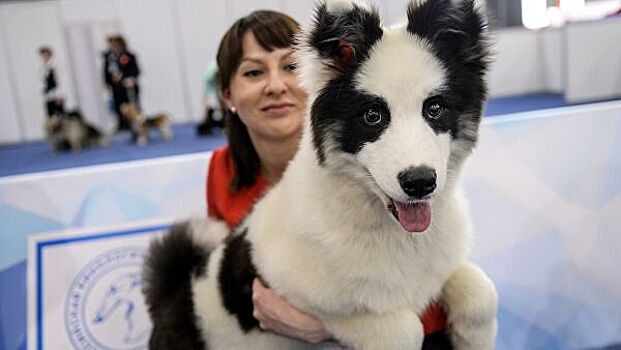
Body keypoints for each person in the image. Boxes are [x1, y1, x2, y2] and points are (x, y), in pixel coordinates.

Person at [206, 9, 447, 344]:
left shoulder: (375, 166)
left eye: (290, 66)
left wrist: (328, 327)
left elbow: (425, 286)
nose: (275, 86)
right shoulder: (222, 168)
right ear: (227, 95)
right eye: (253, 72)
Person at [103, 35, 141, 132]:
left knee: (133, 107)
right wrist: (107, 83)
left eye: (114, 44)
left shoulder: (129, 56)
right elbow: (105, 72)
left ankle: (138, 126)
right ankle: (122, 125)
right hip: (116, 87)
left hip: (128, 86)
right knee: (119, 107)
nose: (112, 46)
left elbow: (135, 70)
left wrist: (129, 78)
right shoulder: (109, 57)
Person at [38, 46, 65, 118]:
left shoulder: (55, 66)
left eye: (45, 54)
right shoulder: (43, 68)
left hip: (56, 96)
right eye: (42, 55)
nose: (44, 56)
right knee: (51, 118)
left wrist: (59, 95)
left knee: (60, 117)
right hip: (48, 96)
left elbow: (60, 81)